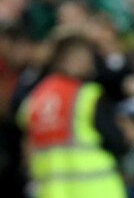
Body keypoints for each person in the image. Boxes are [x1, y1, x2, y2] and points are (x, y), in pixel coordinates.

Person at [17, 32, 128, 198]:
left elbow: (27, 151)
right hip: (96, 189)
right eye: (86, 59)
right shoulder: (87, 95)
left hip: (51, 192)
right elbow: (118, 142)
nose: (90, 66)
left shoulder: (32, 100)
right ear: (69, 61)